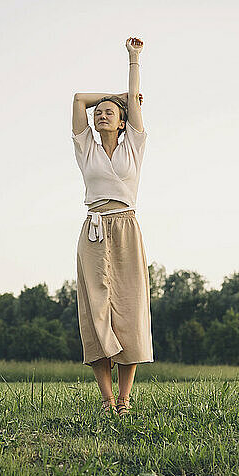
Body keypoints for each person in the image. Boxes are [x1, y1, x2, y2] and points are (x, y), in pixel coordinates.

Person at [71, 37, 154, 417]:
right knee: (96, 314)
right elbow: (77, 99)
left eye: (110, 112)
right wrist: (115, 96)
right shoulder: (85, 147)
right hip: (93, 231)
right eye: (99, 111)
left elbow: (134, 99)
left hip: (126, 228)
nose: (101, 114)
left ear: (123, 123)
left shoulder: (133, 145)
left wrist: (133, 60)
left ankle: (124, 399)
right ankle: (107, 401)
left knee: (129, 311)